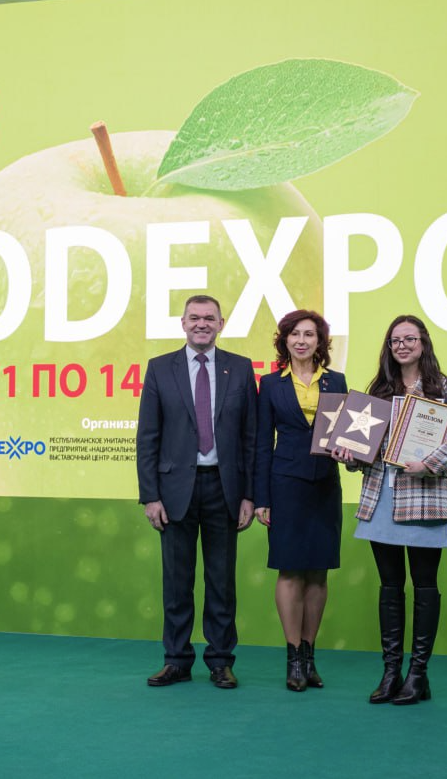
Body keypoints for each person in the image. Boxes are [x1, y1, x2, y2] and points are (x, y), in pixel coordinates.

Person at [332, 314, 447, 705]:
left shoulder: (441, 388)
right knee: (390, 587)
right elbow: (363, 452)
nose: (402, 346)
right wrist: (349, 456)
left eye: (409, 339)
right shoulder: (377, 391)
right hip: (381, 498)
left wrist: (429, 462)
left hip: (424, 497)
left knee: (425, 585)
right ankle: (391, 672)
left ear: (423, 343)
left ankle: (418, 675)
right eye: (395, 340)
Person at [136, 295, 257, 689]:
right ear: (183, 323)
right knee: (177, 582)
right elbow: (148, 437)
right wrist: (150, 496)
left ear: (221, 324)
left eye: (209, 318)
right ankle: (176, 660)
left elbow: (251, 437)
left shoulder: (241, 368)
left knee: (222, 582)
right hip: (173, 492)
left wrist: (249, 495)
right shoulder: (159, 368)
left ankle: (221, 661)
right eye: (194, 318)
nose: (201, 323)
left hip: (225, 488)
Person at [254, 310, 347, 692]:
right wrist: (261, 498)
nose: (302, 340)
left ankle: (309, 656)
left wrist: (350, 452)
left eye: (309, 334)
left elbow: (348, 435)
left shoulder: (336, 381)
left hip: (325, 483)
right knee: (290, 570)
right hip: (285, 484)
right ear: (285, 340)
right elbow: (262, 443)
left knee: (319, 572)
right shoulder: (270, 384)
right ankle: (292, 657)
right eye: (295, 334)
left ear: (320, 341)